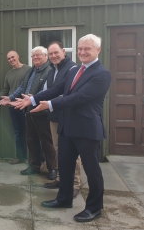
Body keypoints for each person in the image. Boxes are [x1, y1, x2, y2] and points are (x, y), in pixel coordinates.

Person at [10, 34, 111, 223]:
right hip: (67, 127)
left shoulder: (101, 74)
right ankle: (64, 199)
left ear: (97, 50)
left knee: (92, 170)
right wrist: (32, 99)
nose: (82, 52)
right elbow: (57, 89)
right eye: (80, 48)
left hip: (87, 130)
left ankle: (94, 208)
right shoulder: (75, 71)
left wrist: (49, 105)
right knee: (65, 166)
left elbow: (79, 98)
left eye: (87, 49)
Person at [0, 46, 56, 180]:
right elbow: (22, 87)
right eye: (33, 56)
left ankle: (52, 168)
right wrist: (10, 97)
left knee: (47, 142)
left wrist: (33, 99)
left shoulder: (50, 70)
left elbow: (49, 91)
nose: (35, 58)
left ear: (45, 56)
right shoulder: (32, 70)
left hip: (42, 111)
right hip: (29, 111)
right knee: (32, 140)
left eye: (38, 55)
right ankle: (34, 166)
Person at [42, 42, 81, 198]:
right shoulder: (52, 70)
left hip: (68, 117)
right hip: (54, 116)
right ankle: (61, 179)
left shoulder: (72, 69)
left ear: (63, 51)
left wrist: (47, 101)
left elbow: (70, 95)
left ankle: (75, 184)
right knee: (58, 149)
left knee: (72, 152)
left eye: (56, 52)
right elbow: (49, 91)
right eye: (51, 54)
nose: (53, 56)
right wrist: (35, 98)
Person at [0, 51, 31, 164]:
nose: (11, 60)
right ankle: (20, 156)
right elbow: (5, 90)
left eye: (13, 57)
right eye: (9, 58)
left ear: (18, 56)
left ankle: (35, 159)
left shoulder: (28, 69)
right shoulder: (9, 74)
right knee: (18, 132)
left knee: (31, 132)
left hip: (26, 105)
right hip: (12, 106)